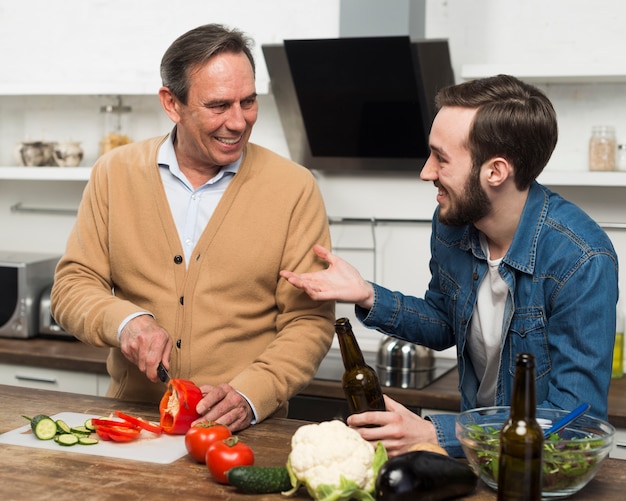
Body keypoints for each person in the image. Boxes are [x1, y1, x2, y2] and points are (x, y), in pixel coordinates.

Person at [280, 74, 619, 457]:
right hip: (478, 454)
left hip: (538, 470)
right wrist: (368, 295)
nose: (426, 171)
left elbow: (571, 423)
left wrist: (434, 433)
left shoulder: (582, 259)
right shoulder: (451, 225)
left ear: (495, 171)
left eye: (441, 158)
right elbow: (445, 322)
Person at [51, 23, 335, 432]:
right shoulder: (114, 173)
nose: (238, 122)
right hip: (135, 426)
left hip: (246, 431)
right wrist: (126, 321)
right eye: (219, 105)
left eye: (249, 101)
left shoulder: (294, 188)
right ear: (172, 103)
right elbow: (73, 285)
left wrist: (254, 392)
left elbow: (309, 320)